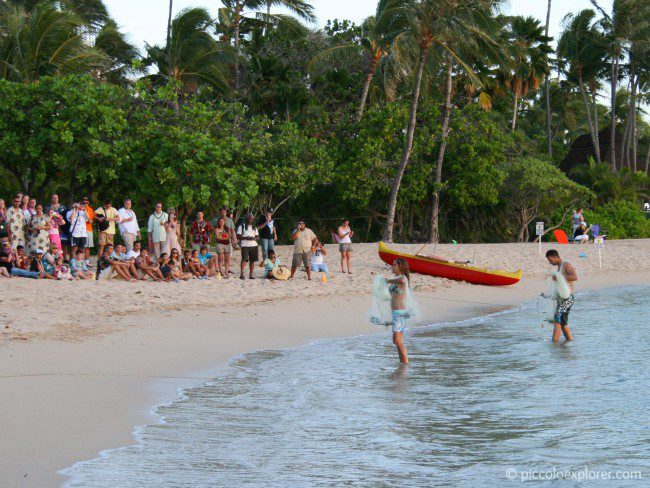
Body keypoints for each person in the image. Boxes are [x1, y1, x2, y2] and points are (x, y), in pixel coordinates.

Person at [545, 249, 577, 342]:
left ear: (555, 257)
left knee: (557, 321)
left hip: (568, 299)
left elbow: (575, 277)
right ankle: (570, 341)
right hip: (563, 298)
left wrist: (559, 277)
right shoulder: (559, 267)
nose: (550, 262)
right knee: (563, 324)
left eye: (550, 260)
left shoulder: (566, 264)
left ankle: (554, 345)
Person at [386, 258, 412, 364]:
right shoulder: (396, 280)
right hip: (396, 313)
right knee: (398, 341)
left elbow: (402, 280)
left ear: (400, 266)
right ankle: (403, 363)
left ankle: (405, 364)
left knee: (396, 341)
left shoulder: (403, 278)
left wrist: (389, 280)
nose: (393, 267)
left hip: (400, 313)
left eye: (394, 265)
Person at [236, 214, 259, 279]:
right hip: (245, 245)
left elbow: (257, 236)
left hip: (254, 245)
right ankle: (242, 274)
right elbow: (238, 235)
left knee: (252, 260)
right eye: (249, 218)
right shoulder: (242, 226)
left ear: (253, 219)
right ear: (246, 218)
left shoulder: (254, 227)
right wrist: (247, 238)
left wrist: (254, 238)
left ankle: (251, 275)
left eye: (251, 218)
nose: (250, 219)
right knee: (244, 260)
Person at [47, 194, 69, 259]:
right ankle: (51, 259)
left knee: (58, 249)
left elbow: (63, 222)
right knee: (51, 249)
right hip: (50, 235)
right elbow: (47, 222)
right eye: (53, 197)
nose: (55, 198)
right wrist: (51, 216)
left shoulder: (56, 219)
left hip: (56, 235)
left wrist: (58, 216)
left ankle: (58, 260)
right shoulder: (48, 218)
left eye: (56, 197)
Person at [81, 197, 94, 266]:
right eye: (83, 202)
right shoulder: (79, 209)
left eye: (86, 202)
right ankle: (81, 262)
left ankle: (87, 262)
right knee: (82, 247)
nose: (85, 204)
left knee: (87, 247)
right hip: (81, 230)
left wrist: (87, 217)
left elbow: (91, 221)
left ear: (88, 202)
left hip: (88, 229)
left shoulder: (90, 210)